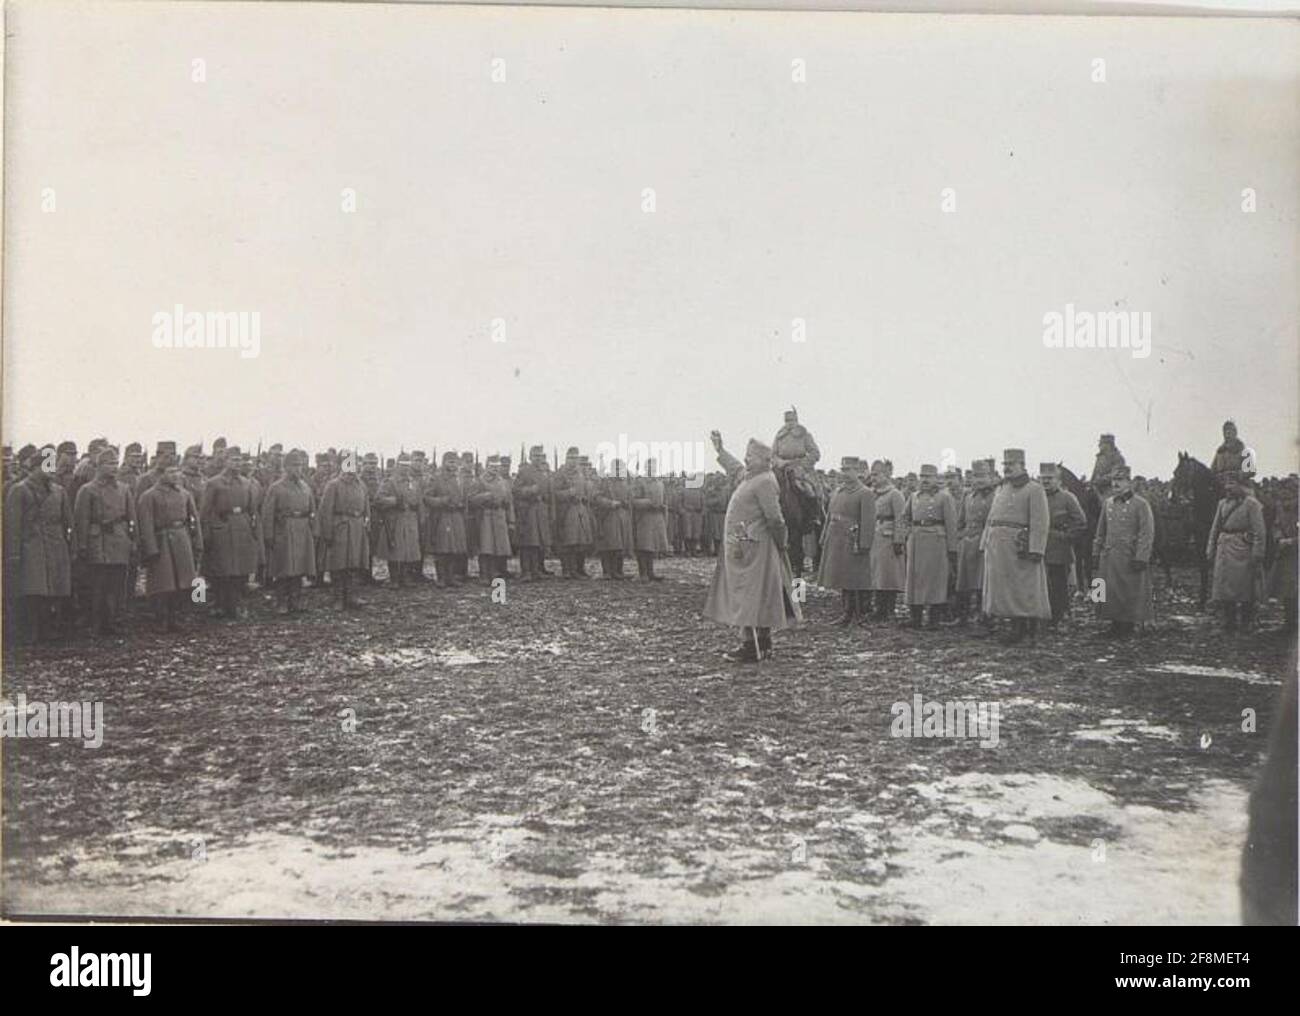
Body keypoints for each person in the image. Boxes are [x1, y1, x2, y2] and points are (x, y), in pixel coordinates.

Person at [704, 431, 801, 662]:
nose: (747, 459)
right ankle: (762, 645)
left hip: (756, 551)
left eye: (752, 456)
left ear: (765, 460)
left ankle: (751, 646)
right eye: (747, 455)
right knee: (751, 596)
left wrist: (781, 543)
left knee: (751, 597)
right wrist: (721, 451)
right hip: (745, 550)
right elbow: (735, 468)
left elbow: (775, 519)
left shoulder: (765, 481)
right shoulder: (751, 477)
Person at [980, 448, 1051, 643]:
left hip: (1019, 547)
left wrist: (1036, 548)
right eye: (1005, 464)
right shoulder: (1001, 488)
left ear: (1022, 465)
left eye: (1011, 464)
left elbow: (1040, 521)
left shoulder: (1034, 489)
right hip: (998, 548)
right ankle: (1012, 625)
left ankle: (1025, 628)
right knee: (1004, 589)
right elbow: (991, 518)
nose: (1007, 468)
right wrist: (985, 541)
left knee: (1022, 588)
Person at [4, 445, 73, 643]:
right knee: (33, 590)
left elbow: (68, 522)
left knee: (53, 590)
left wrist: (70, 546)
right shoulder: (19, 490)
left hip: (55, 544)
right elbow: (13, 526)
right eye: (46, 465)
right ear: (35, 467)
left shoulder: (59, 491)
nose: (51, 469)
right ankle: (30, 631)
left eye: (52, 465)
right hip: (31, 547)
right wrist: (13, 553)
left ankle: (47, 629)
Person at [73, 447, 138, 636]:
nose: (114, 467)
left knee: (117, 584)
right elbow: (81, 520)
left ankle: (114, 621)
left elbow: (131, 518)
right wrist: (82, 546)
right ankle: (96, 623)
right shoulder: (87, 490)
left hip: (119, 540)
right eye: (110, 464)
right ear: (99, 466)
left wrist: (133, 540)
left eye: (116, 463)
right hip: (98, 541)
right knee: (97, 585)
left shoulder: (124, 489)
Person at [136, 461, 203, 631]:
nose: (175, 475)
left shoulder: (185, 494)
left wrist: (197, 541)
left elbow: (194, 519)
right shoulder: (149, 496)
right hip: (162, 541)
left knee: (183, 582)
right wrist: (151, 548)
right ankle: (161, 619)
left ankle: (176, 617)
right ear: (161, 474)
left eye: (177, 471)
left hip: (182, 539)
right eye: (170, 472)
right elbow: (146, 524)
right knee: (162, 584)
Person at [1091, 464, 1154, 638]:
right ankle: (1113, 623)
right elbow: (1100, 531)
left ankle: (1129, 625)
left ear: (1129, 482)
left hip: (1129, 555)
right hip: (1109, 555)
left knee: (1130, 591)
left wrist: (1142, 557)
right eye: (1113, 480)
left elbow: (1146, 533)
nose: (1115, 484)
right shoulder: (1108, 503)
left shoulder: (1141, 504)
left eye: (1120, 480)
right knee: (1106, 590)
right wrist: (1095, 552)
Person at [199, 445, 260, 620]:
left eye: (239, 460)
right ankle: (220, 604)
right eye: (233, 460)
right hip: (222, 529)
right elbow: (205, 511)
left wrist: (253, 528)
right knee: (222, 570)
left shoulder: (247, 483)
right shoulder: (214, 483)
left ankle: (237, 604)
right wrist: (207, 533)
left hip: (242, 527)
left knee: (241, 569)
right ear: (225, 461)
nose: (237, 463)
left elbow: (252, 509)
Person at [816, 457, 875, 625]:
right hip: (836, 539)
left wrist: (864, 544)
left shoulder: (865, 493)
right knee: (842, 577)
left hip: (852, 540)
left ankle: (857, 613)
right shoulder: (838, 491)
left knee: (854, 578)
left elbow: (868, 521)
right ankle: (846, 611)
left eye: (849, 470)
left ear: (858, 472)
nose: (845, 473)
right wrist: (824, 536)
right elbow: (829, 516)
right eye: (843, 470)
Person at [1206, 470, 1267, 632]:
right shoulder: (1222, 504)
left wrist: (1257, 553)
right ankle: (1229, 621)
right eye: (1227, 484)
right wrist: (1210, 547)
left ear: (1241, 485)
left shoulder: (1251, 504)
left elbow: (1259, 531)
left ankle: (1247, 620)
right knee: (1224, 585)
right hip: (1224, 546)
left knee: (1245, 586)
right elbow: (1215, 528)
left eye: (1232, 483)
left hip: (1243, 548)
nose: (1228, 487)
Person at [902, 464, 959, 628]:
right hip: (916, 541)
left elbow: (951, 524)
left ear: (936, 478)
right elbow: (904, 517)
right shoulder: (914, 496)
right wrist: (906, 533)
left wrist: (952, 549)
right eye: (922, 476)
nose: (925, 480)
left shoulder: (944, 497)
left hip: (936, 542)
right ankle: (915, 618)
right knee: (914, 580)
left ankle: (934, 620)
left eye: (928, 477)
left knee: (935, 581)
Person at [261, 449, 318, 614]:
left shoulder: (305, 487)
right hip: (284, 530)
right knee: (283, 568)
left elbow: (312, 510)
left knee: (299, 568)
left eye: (300, 465)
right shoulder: (276, 488)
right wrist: (269, 535)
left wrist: (313, 530)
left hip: (302, 530)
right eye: (294, 465)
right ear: (285, 467)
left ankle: (296, 600)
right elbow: (268, 514)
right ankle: (281, 602)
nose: (298, 469)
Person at [318, 451, 371, 609]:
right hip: (340, 527)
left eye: (354, 465)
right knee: (339, 564)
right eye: (348, 465)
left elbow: (366, 508)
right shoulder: (333, 485)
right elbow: (325, 510)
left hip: (357, 528)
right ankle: (338, 598)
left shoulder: (361, 485)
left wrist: (367, 525)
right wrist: (328, 533)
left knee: (355, 563)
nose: (352, 470)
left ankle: (352, 596)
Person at [1041, 463, 1088, 625]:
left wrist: (1067, 537)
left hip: (1059, 548)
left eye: (1050, 478)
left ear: (1059, 480)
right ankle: (1045, 615)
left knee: (1059, 584)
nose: (1046, 482)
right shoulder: (1037, 496)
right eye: (1043, 478)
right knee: (1042, 583)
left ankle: (1061, 616)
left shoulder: (1067, 498)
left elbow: (1080, 522)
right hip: (1039, 546)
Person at [954, 459, 995, 625]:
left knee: (982, 581)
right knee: (963, 581)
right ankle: (962, 616)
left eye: (983, 476)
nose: (979, 480)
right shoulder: (968, 496)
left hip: (984, 543)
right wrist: (961, 537)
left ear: (990, 477)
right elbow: (961, 521)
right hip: (967, 542)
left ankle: (983, 615)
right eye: (976, 476)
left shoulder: (995, 496)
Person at [866, 460, 907, 623]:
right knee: (877, 574)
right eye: (872, 475)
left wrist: (899, 540)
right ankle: (879, 608)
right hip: (875, 537)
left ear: (887, 475)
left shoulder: (894, 494)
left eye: (877, 475)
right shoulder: (872, 493)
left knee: (889, 575)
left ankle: (889, 609)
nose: (873, 478)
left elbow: (900, 519)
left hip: (888, 539)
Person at [373, 455, 422, 586]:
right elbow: (378, 500)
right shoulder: (389, 482)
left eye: (407, 465)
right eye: (402, 465)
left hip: (410, 519)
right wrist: (394, 501)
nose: (405, 468)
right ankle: (394, 578)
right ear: (397, 466)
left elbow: (419, 499)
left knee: (409, 549)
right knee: (394, 549)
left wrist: (416, 506)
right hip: (395, 520)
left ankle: (406, 577)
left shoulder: (413, 482)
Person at [425, 451, 469, 586]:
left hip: (457, 516)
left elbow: (465, 497)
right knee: (442, 548)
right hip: (443, 516)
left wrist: (462, 505)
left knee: (454, 548)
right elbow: (427, 498)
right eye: (450, 462)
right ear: (444, 463)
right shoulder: (436, 479)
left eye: (455, 462)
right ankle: (441, 578)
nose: (453, 465)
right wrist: (442, 501)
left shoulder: (460, 479)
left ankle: (451, 577)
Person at [553, 447, 596, 579]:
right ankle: (567, 570)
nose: (573, 461)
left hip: (581, 508)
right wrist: (568, 493)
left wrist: (586, 497)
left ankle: (579, 569)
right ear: (566, 459)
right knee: (568, 541)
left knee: (582, 541)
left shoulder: (581, 474)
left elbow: (587, 490)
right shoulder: (560, 474)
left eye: (575, 458)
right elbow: (554, 494)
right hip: (567, 510)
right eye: (571, 458)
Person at [469, 456, 513, 581]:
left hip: (500, 516)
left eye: (497, 466)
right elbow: (471, 499)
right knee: (486, 547)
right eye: (492, 466)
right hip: (486, 517)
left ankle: (495, 572)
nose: (495, 469)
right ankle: (484, 574)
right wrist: (485, 496)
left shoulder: (503, 482)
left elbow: (510, 502)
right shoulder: (479, 481)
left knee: (499, 546)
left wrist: (511, 520)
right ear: (487, 466)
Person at [593, 458, 634, 580]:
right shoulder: (605, 482)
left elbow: (631, 498)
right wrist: (610, 503)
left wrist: (627, 502)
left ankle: (618, 571)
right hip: (608, 516)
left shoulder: (626, 483)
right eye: (616, 468)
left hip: (623, 516)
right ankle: (607, 571)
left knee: (620, 546)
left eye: (620, 468)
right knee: (608, 545)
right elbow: (596, 498)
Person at [631, 457, 671, 581]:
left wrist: (663, 507)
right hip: (644, 517)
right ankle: (643, 573)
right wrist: (648, 503)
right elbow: (634, 500)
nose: (652, 469)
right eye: (649, 466)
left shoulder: (660, 483)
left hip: (657, 516)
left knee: (653, 545)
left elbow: (665, 500)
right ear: (645, 468)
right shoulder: (640, 482)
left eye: (654, 466)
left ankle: (650, 572)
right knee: (643, 545)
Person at [1266, 475, 1297, 631]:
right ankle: (1289, 621)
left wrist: (1293, 541)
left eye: (1289, 495)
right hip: (1286, 553)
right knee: (1287, 588)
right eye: (1283, 494)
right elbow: (1276, 525)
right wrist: (1278, 538)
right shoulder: (1280, 508)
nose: (1285, 500)